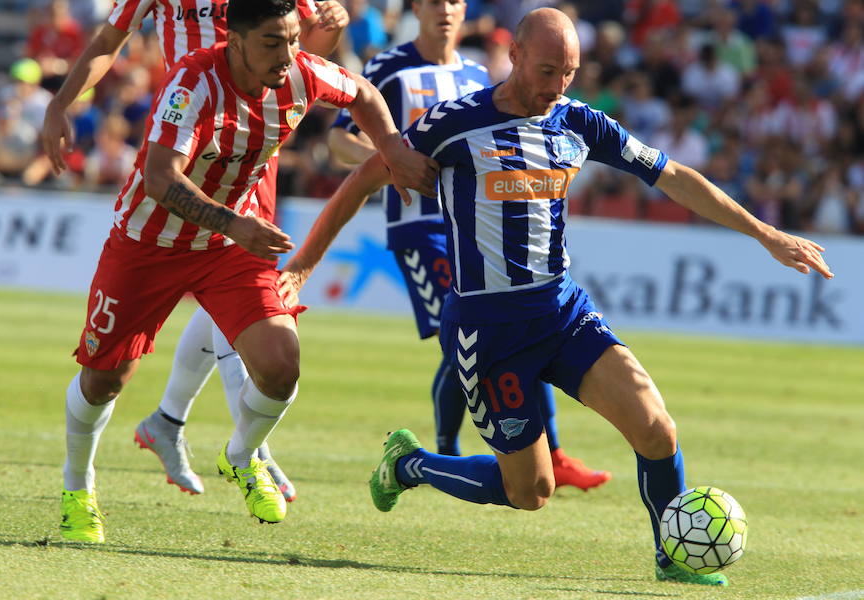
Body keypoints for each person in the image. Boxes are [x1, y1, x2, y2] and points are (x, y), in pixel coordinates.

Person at [277, 8, 833, 586]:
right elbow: (366, 175)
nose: (556, 86)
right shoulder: (455, 123)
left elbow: (671, 176)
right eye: (546, 70)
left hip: (562, 311)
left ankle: (672, 556)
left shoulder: (578, 122)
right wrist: (305, 263)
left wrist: (766, 235)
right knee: (530, 492)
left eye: (567, 72)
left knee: (656, 429)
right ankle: (410, 464)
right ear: (514, 55)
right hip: (489, 331)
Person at [58, 0, 438, 543]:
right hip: (149, 241)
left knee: (281, 364)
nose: (288, 55)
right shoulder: (192, 82)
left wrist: (393, 149)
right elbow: (160, 178)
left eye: (291, 39)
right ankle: (78, 487)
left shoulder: (301, 71)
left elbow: (364, 93)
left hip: (226, 247)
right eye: (272, 43)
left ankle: (240, 455)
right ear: (235, 41)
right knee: (103, 379)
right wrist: (236, 225)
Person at [42, 0, 350, 501]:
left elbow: (298, 58)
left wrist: (330, 33)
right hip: (185, 139)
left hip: (255, 142)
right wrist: (61, 103)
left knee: (252, 312)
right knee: (107, 372)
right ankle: (176, 424)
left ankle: (240, 444)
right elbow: (107, 42)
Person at [327, 0, 609, 491]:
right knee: (470, 340)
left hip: (481, 228)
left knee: (524, 326)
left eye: (455, 1)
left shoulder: (478, 74)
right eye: (434, 2)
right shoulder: (389, 68)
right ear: (416, 8)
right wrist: (396, 159)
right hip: (419, 227)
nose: (445, 11)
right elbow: (338, 143)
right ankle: (442, 453)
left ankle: (552, 452)